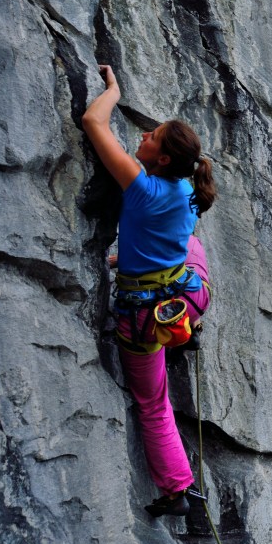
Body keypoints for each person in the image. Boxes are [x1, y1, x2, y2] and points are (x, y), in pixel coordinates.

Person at [82, 65, 217, 517]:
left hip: (143, 315)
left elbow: (92, 122)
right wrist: (137, 256)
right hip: (191, 288)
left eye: (152, 135)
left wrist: (114, 89)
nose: (143, 134)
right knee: (191, 243)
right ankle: (181, 324)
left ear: (161, 159)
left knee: (152, 403)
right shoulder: (182, 186)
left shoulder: (141, 189)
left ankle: (178, 488)